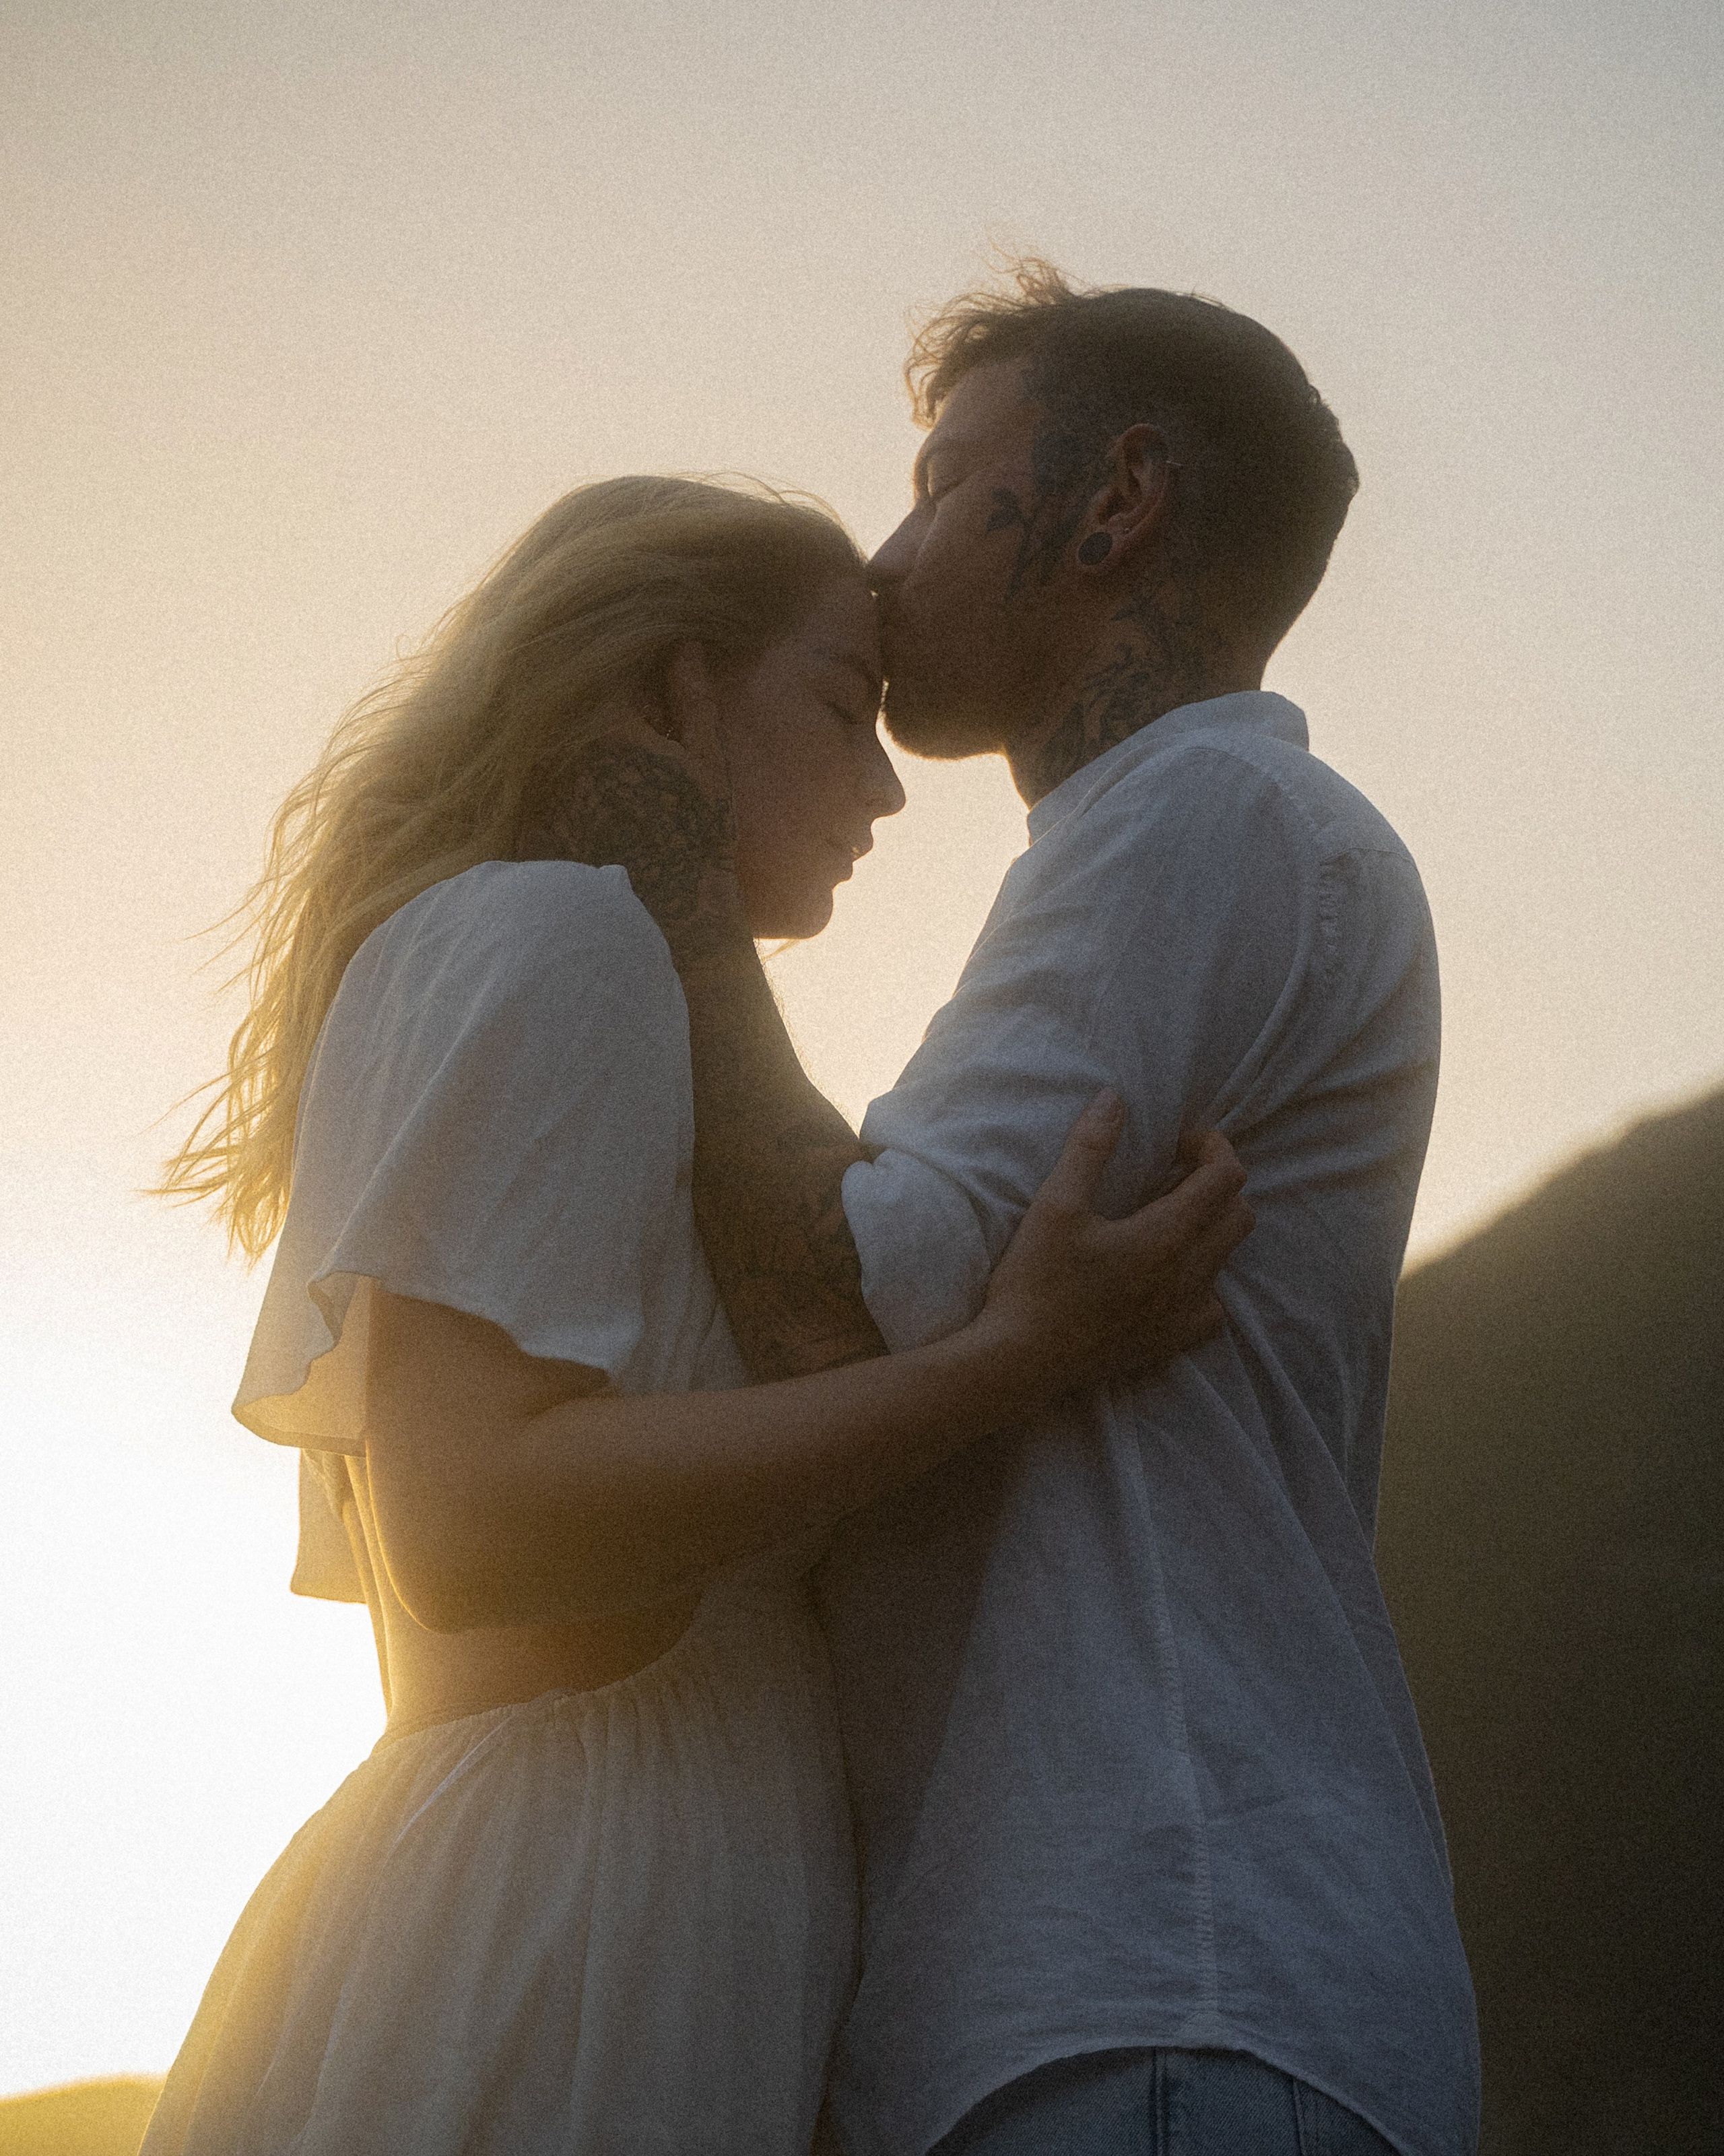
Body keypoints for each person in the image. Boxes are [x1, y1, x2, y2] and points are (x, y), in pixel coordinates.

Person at [143, 473, 1253, 2156]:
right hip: (576, 1919)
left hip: (587, 1893)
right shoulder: (559, 932)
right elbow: (477, 1524)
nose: (886, 787)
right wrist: (1011, 1361)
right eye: (837, 703)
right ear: (671, 685)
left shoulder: (511, 949)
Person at [644, 267, 1482, 2155]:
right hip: (1124, 1993)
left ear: (1119, 503)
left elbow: (864, 1293)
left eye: (944, 481)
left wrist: (657, 836)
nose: (890, 551)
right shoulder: (1176, 839)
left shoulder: (1203, 818)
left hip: (1151, 1986)